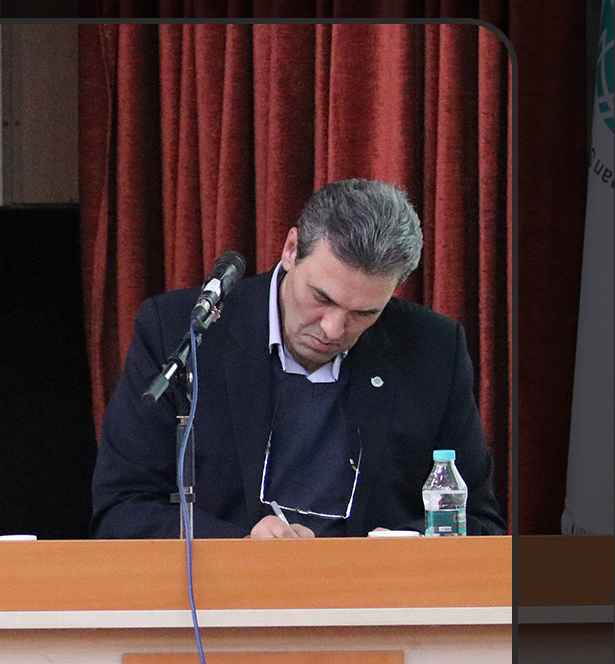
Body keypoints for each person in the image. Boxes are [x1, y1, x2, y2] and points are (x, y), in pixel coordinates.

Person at [92, 179, 504, 539]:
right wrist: (241, 548)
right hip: (223, 595)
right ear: (291, 250)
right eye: (321, 298)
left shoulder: (432, 350)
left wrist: (402, 547)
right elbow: (122, 510)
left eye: (365, 313)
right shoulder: (181, 332)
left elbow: (477, 522)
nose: (333, 329)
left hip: (374, 594)